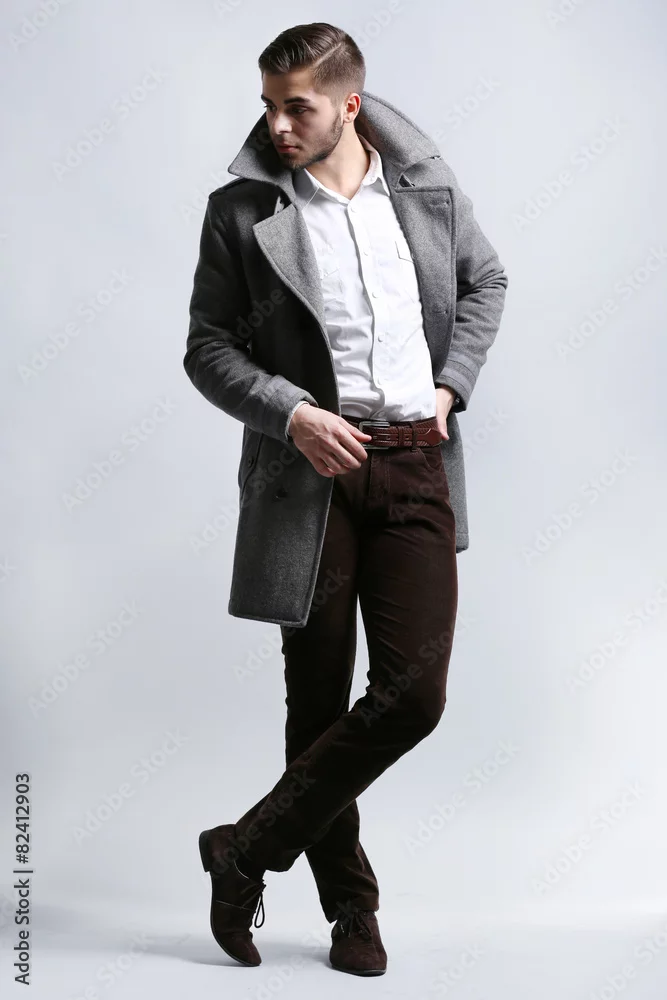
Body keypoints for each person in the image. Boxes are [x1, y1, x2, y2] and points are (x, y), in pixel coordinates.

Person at [185, 21, 508, 977]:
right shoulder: (241, 212)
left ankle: (243, 848)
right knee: (318, 697)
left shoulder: (424, 188)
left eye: (299, 108)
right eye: (268, 106)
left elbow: (485, 281)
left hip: (415, 464)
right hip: (309, 479)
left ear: (349, 105)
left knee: (413, 696)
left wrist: (449, 387)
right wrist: (290, 414)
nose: (277, 125)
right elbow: (208, 348)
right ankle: (350, 911)